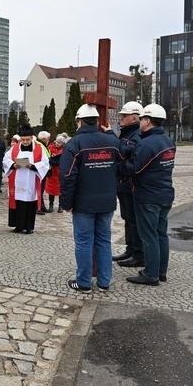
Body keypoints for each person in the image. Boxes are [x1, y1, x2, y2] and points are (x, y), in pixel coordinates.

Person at [59, 104, 121, 293]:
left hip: (84, 202)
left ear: (80, 121)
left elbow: (67, 175)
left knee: (84, 242)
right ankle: (104, 281)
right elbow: (122, 165)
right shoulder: (111, 142)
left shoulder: (75, 144)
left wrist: (66, 203)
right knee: (103, 240)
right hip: (107, 201)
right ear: (96, 121)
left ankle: (84, 282)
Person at [118, 104, 176, 286]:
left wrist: (117, 164)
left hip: (148, 195)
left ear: (148, 121)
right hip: (165, 193)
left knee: (148, 235)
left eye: (142, 119)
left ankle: (151, 274)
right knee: (160, 234)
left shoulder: (147, 144)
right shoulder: (168, 141)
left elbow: (133, 169)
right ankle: (161, 271)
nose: (140, 122)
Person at [105, 101, 145, 268]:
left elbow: (122, 152)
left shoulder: (136, 135)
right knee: (127, 218)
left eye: (124, 116)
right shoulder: (128, 133)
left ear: (135, 118)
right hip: (123, 183)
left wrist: (111, 136)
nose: (121, 118)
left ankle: (138, 253)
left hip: (129, 184)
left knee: (134, 220)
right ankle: (130, 249)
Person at [3, 125, 49, 233]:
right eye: (23, 140)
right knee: (18, 202)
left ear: (32, 138)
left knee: (29, 202)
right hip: (17, 180)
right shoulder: (15, 148)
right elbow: (6, 159)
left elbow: (45, 163)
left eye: (27, 139)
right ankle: (18, 226)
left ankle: (29, 227)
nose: (25, 142)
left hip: (31, 180)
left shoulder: (39, 149)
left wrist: (32, 166)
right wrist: (13, 165)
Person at [44, 134, 67, 213]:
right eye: (57, 142)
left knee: (60, 190)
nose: (57, 144)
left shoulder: (65, 150)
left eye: (59, 143)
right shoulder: (50, 148)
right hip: (52, 172)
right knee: (51, 190)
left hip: (60, 172)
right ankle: (51, 204)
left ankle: (61, 205)